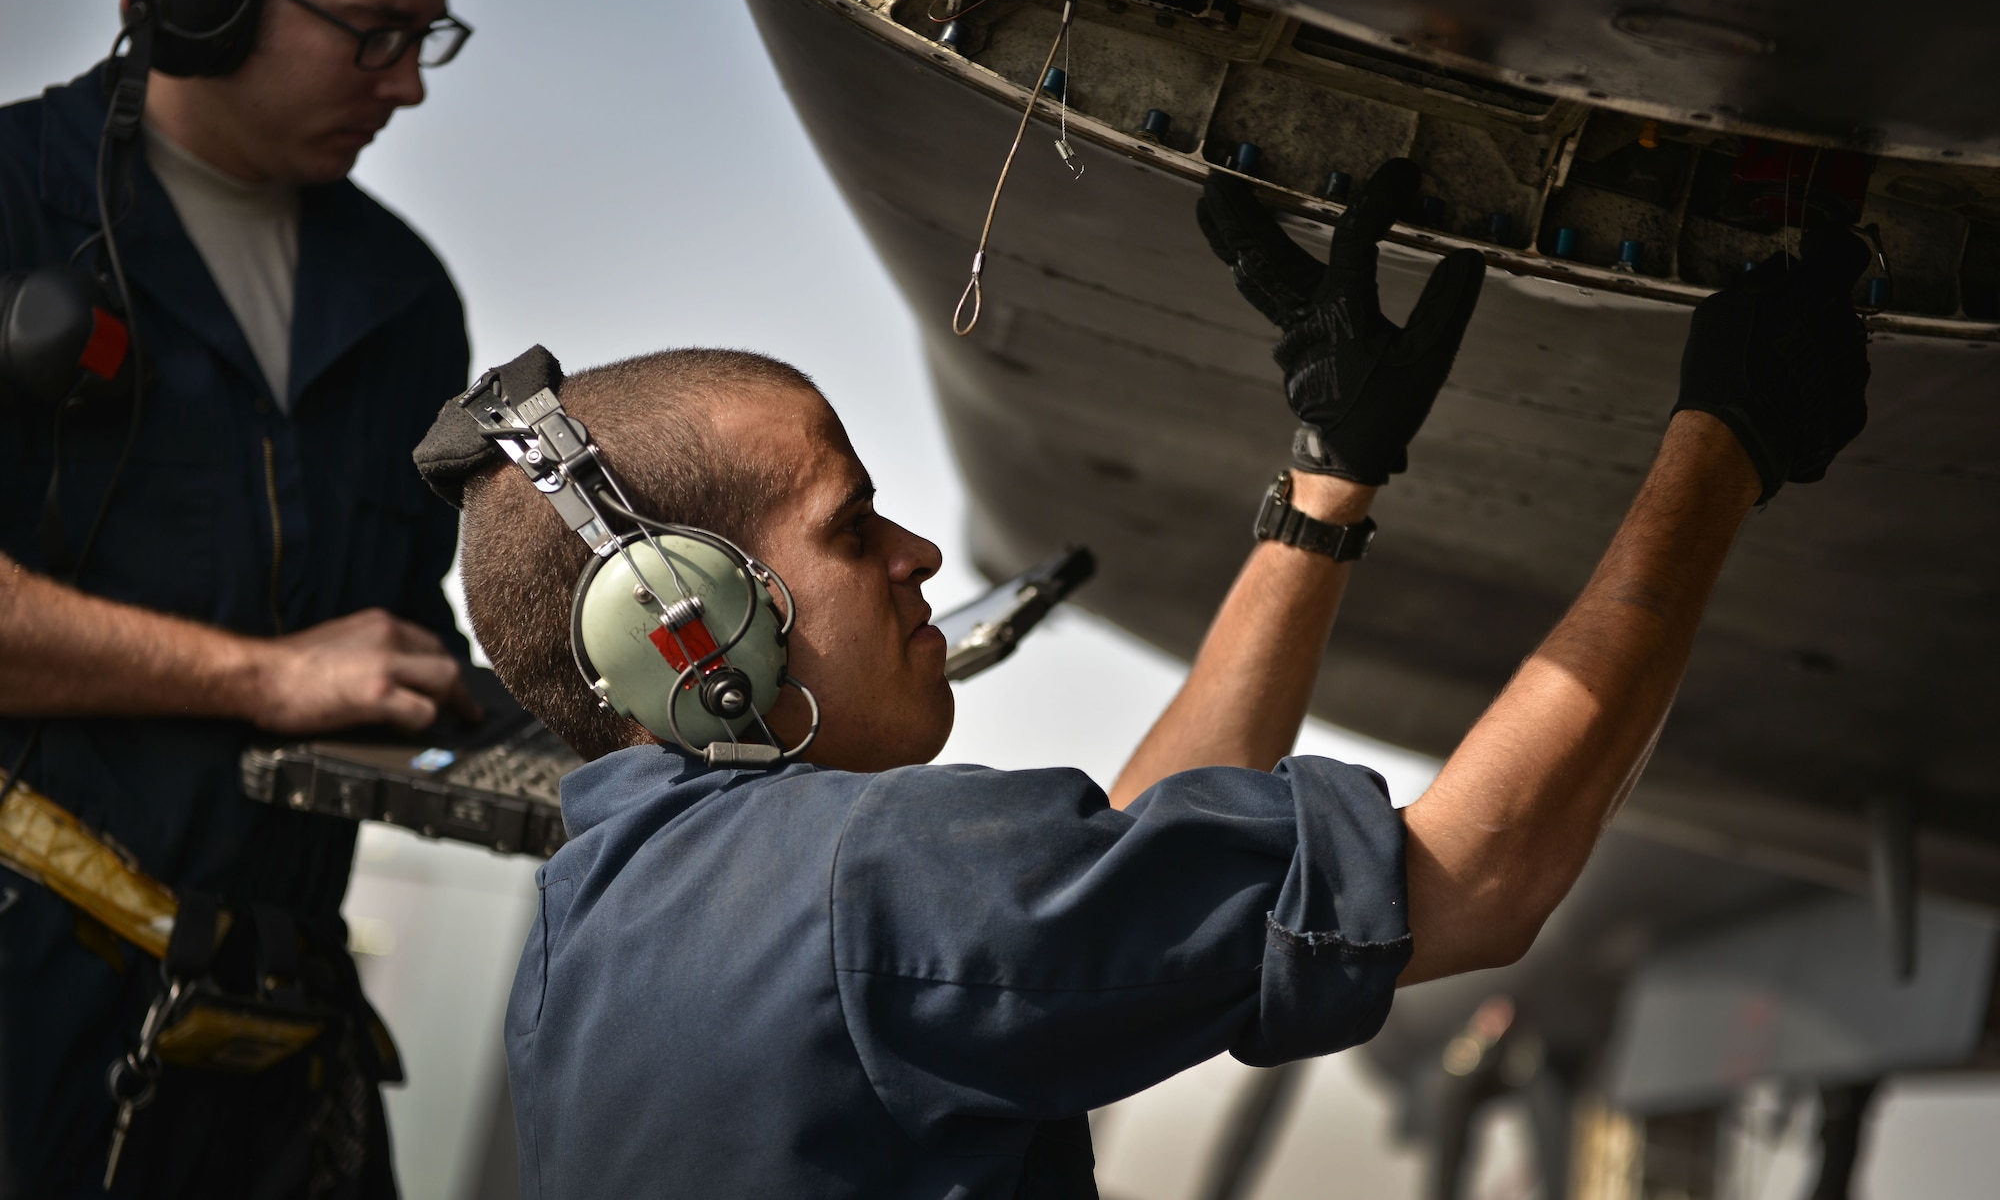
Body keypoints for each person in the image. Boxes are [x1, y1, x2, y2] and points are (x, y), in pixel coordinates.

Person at [422, 161, 1870, 1199]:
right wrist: (1721, 443)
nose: (921, 551)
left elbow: (1086, 891)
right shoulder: (872, 885)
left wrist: (1330, 480)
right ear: (689, 629)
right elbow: (1480, 882)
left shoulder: (598, 936)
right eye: (853, 528)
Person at [0, 0, 480, 1194]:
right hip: (25, 1008)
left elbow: (388, 633)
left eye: (426, 37)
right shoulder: (7, 207)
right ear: (191, 0)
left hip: (279, 1040)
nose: (408, 85)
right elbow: (296, 667)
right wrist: (264, 679)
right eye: (373, 33)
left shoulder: (404, 301)